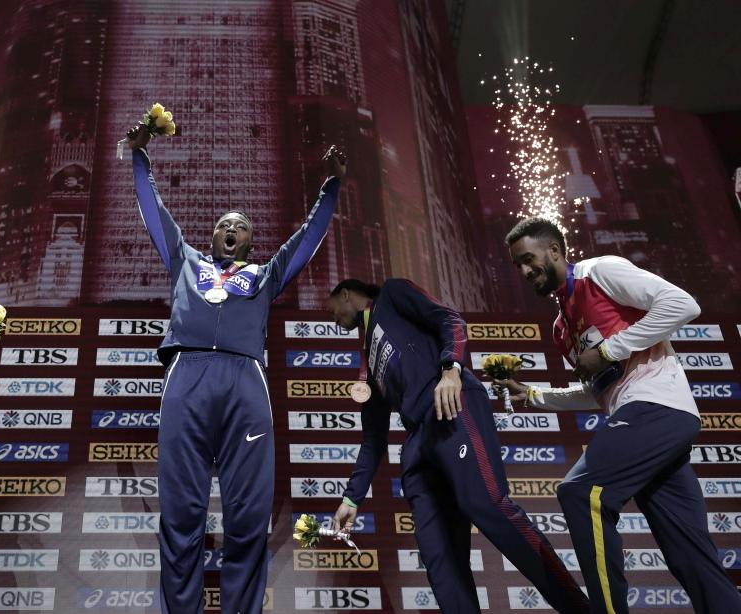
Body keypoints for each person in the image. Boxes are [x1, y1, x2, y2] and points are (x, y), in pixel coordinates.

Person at [125, 123, 345, 614]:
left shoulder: (266, 275)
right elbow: (153, 209)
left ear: (250, 240)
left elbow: (307, 239)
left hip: (245, 382)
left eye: (240, 225)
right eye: (224, 223)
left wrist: (331, 186)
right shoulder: (184, 260)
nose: (230, 228)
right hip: (188, 377)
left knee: (247, 517)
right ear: (213, 234)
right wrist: (140, 157)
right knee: (181, 515)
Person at [495, 217, 741, 614]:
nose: (525, 272)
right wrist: (533, 395)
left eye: (528, 259)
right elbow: (599, 392)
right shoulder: (562, 328)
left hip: (657, 407)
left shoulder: (600, 272)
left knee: (579, 492)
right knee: (691, 559)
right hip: (642, 422)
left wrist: (610, 349)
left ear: (555, 250)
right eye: (517, 266)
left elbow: (682, 305)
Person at [326, 278, 590, 614]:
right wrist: (352, 497)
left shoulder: (391, 296)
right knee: (440, 556)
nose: (331, 316)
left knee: (487, 506)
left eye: (330, 307)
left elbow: (449, 319)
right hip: (418, 445)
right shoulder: (367, 358)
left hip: (450, 407)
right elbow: (373, 437)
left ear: (346, 293)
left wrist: (451, 370)